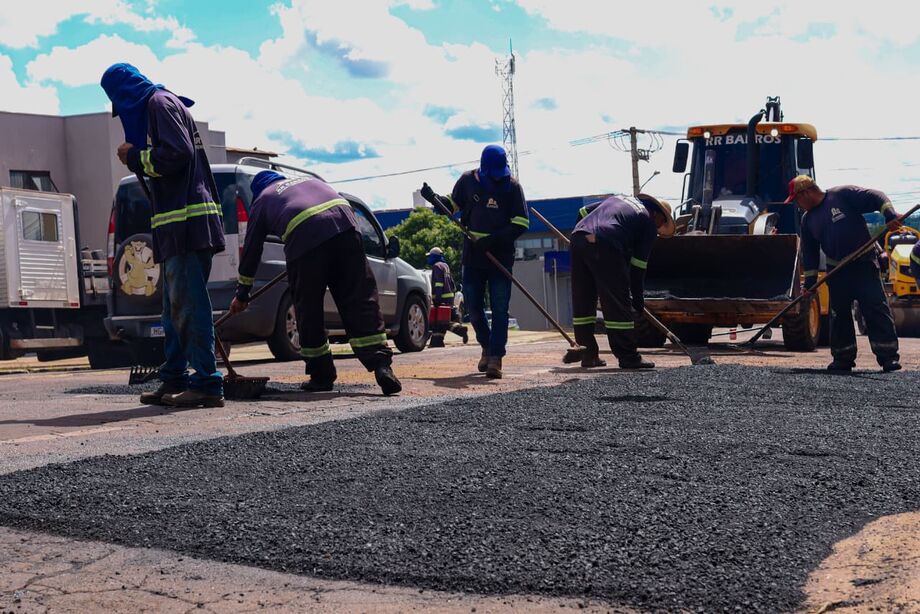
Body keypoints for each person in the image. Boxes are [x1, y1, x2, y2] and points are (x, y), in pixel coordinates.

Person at [101, 63, 225, 408]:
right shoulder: (163, 104)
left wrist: (136, 157)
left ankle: (207, 384)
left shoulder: (159, 104)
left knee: (189, 307)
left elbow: (178, 153)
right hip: (176, 227)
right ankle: (174, 378)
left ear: (125, 95)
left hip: (187, 224)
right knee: (173, 311)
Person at [228, 171, 401, 395]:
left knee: (308, 309)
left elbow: (252, 250)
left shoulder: (263, 199)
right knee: (360, 299)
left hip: (306, 239)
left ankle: (321, 375)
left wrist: (242, 294)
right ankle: (381, 365)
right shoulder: (308, 180)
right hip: (346, 228)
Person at [420, 145, 529, 379]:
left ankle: (496, 357)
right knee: (474, 308)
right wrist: (437, 201)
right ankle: (486, 347)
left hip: (501, 258)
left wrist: (493, 240)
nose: (498, 178)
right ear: (484, 168)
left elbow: (522, 223)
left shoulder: (512, 187)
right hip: (473, 257)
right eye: (494, 174)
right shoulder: (467, 181)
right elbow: (452, 205)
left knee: (500, 309)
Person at [788, 175, 902, 372]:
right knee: (839, 314)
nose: (797, 205)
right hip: (837, 271)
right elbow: (810, 253)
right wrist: (810, 283)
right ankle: (843, 358)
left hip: (864, 265)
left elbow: (877, 196)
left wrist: (890, 215)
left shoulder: (842, 195)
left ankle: (888, 357)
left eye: (796, 199)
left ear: (806, 193)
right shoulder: (808, 221)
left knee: (875, 309)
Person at [570, 193, 675, 369]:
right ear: (656, 214)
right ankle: (628, 357)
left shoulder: (619, 199)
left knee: (583, 300)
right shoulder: (648, 223)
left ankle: (588, 354)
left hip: (578, 237)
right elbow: (638, 267)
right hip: (606, 241)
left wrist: (584, 238)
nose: (659, 228)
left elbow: (582, 212)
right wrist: (637, 298)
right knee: (618, 303)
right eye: (662, 223)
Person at [426, 247, 468, 347]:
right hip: (449, 299)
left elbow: (439, 284)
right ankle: (437, 342)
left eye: (430, 256)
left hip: (441, 299)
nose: (428, 258)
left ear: (434, 256)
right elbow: (452, 283)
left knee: (441, 321)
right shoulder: (445, 266)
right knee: (441, 321)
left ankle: (460, 330)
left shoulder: (436, 266)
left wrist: (437, 299)